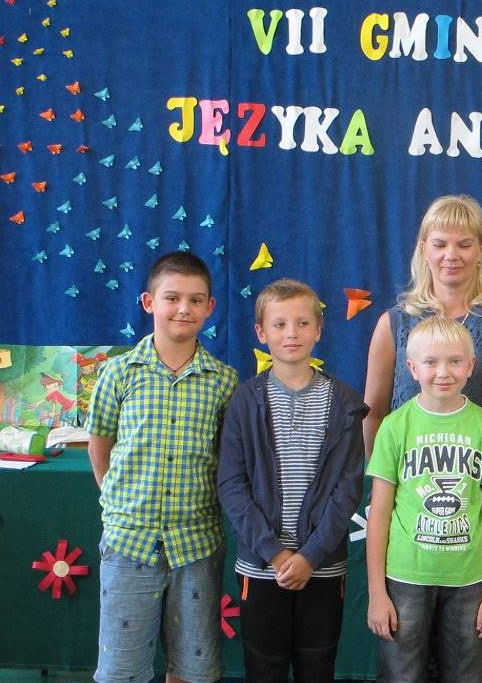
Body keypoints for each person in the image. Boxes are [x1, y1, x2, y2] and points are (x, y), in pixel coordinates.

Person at [363, 193, 482, 680]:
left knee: (473, 648)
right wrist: (386, 486)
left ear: (481, 249)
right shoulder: (393, 323)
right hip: (410, 514)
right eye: (440, 244)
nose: (451, 255)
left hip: (480, 507)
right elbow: (374, 411)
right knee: (407, 647)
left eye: (464, 243)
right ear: (424, 248)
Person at [86, 251, 238, 683]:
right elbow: (100, 442)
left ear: (210, 307)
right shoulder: (118, 373)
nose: (183, 308)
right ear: (149, 302)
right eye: (172, 298)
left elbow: (226, 457)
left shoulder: (224, 381)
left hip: (196, 543)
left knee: (193, 665)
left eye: (195, 300)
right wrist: (115, 500)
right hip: (129, 541)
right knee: (122, 667)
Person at [218, 278, 367, 683]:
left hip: (322, 567)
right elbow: (231, 485)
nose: (292, 333)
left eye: (302, 323)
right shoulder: (244, 401)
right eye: (280, 324)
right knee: (263, 668)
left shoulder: (344, 402)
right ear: (261, 333)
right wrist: (276, 553)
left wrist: (309, 555)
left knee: (317, 667)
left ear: (318, 330)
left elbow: (348, 488)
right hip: (262, 567)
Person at [366, 317, 482, 683]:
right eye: (430, 362)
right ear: (412, 368)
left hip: (470, 578)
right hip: (404, 575)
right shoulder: (394, 427)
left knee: (469, 674)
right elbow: (378, 515)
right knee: (401, 674)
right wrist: (376, 593)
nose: (443, 372)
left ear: (471, 366)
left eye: (454, 361)